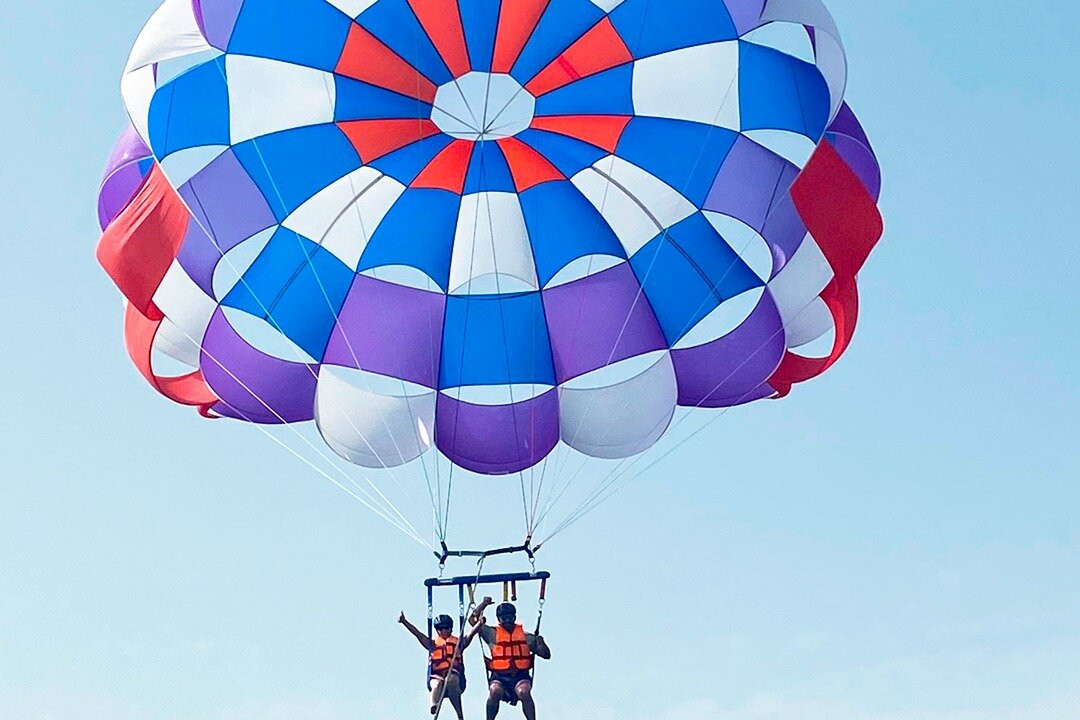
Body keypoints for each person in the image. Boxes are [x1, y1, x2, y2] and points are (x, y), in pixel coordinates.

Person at [469, 597, 551, 720]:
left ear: (514, 617)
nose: (508, 620)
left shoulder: (526, 637)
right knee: (494, 691)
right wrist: (484, 604)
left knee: (524, 692)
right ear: (499, 619)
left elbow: (546, 655)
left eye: (510, 617)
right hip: (499, 676)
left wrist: (541, 643)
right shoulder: (492, 633)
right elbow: (472, 620)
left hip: (520, 675)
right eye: (504, 617)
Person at [399, 610, 482, 718]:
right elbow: (417, 634)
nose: (443, 631)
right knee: (437, 684)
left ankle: (459, 714)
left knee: (451, 680)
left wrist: (480, 623)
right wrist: (404, 622)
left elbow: (471, 634)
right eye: (440, 629)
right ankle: (434, 705)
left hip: (454, 676)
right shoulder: (432, 644)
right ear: (437, 630)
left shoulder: (458, 643)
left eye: (446, 628)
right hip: (436, 675)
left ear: (451, 628)